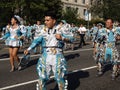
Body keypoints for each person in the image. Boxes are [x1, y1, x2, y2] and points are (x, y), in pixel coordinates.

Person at [24, 11, 74, 90]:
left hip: (57, 56)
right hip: (45, 55)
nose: (45, 22)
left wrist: (62, 38)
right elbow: (37, 41)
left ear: (54, 21)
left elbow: (72, 39)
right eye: (45, 20)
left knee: (59, 78)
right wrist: (29, 49)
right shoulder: (43, 29)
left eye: (48, 20)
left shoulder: (62, 29)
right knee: (42, 79)